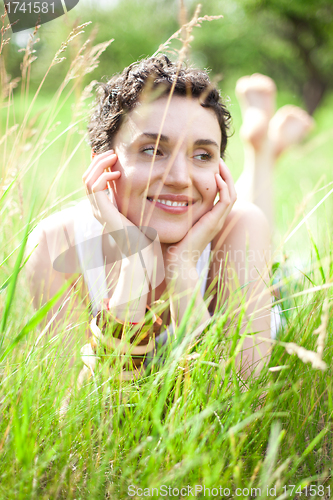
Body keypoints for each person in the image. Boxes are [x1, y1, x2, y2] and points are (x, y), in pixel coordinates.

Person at [25, 56, 274, 387]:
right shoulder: (55, 245)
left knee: (255, 214)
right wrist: (135, 263)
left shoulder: (239, 226)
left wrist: (182, 268)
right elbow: (85, 417)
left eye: (203, 155)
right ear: (102, 163)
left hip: (271, 278)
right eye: (152, 150)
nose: (180, 178)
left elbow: (239, 404)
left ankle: (264, 151)